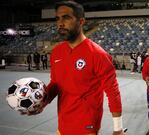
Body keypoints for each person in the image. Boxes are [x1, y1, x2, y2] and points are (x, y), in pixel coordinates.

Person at [22, 1, 125, 135]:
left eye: (66, 17)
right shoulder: (57, 52)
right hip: (63, 123)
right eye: (58, 18)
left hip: (86, 125)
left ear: (81, 21)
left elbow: (112, 91)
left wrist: (118, 128)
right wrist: (42, 102)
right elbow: (55, 83)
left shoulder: (98, 54)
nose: (60, 23)